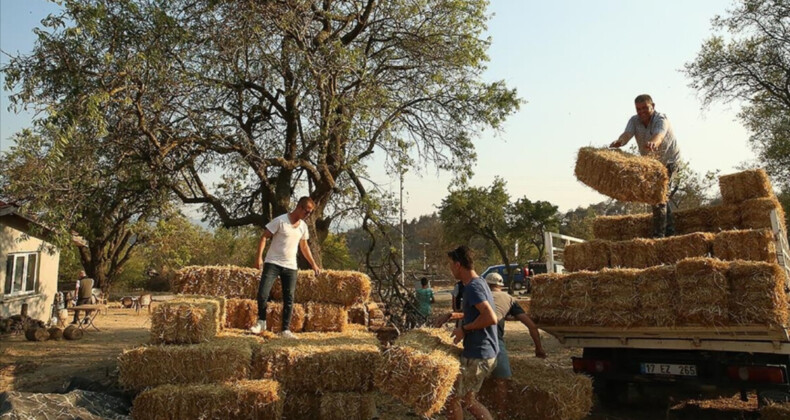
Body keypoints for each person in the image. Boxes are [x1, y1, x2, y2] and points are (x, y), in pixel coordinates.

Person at [435, 246, 498, 420]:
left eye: (450, 264)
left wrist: (463, 329)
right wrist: (452, 315)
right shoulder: (480, 282)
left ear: (457, 265)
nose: (450, 268)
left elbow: (491, 317)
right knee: (467, 400)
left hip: (479, 354)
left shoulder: (472, 287)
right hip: (482, 351)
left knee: (453, 398)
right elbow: (476, 313)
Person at [610, 94, 681, 238]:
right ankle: (669, 233)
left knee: (659, 197)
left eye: (645, 108)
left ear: (652, 106)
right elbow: (627, 134)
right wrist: (619, 142)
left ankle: (660, 236)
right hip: (651, 165)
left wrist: (653, 143)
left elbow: (659, 136)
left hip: (669, 162)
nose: (641, 112)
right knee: (658, 198)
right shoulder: (634, 120)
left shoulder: (661, 119)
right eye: (638, 109)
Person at [250, 197, 321, 338]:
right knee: (263, 293)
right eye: (307, 212)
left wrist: (313, 264)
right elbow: (264, 237)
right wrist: (259, 258)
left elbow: (304, 246)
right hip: (272, 263)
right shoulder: (280, 221)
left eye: (310, 213)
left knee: (289, 298)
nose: (308, 215)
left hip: (290, 266)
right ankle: (261, 321)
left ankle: (285, 330)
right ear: (299, 207)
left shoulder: (303, 227)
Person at [484, 272, 546, 415]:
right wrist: (539, 348)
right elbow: (531, 326)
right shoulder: (508, 299)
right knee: (502, 380)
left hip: (473, 340)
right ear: (501, 285)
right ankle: (501, 414)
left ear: (486, 285)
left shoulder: (479, 296)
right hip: (495, 342)